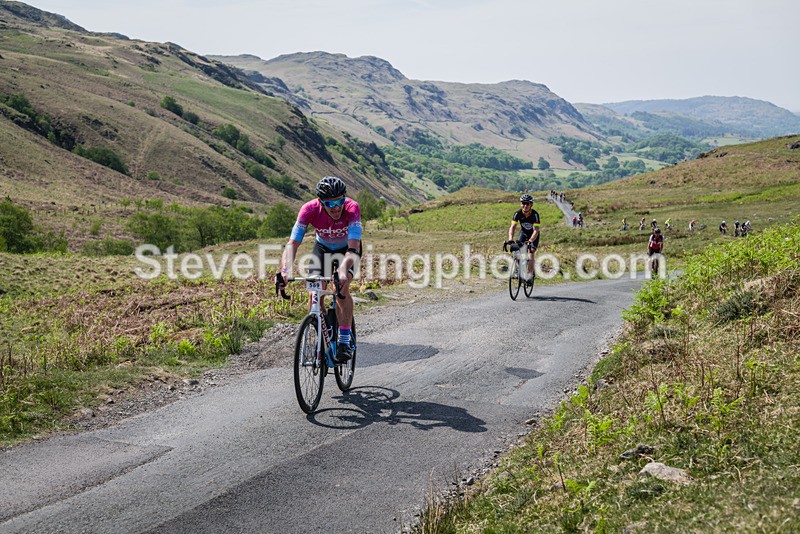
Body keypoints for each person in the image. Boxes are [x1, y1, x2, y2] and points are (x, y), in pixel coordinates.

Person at [275, 176, 362, 363]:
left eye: (340, 201)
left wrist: (342, 271)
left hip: (347, 251)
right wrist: (284, 270)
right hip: (322, 249)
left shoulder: (352, 208)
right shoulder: (309, 209)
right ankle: (324, 334)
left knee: (341, 289)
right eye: (330, 203)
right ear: (321, 202)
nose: (336, 207)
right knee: (314, 292)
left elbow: (354, 247)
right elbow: (293, 244)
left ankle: (344, 341)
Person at [507, 193, 540, 286]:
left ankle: (530, 276)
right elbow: (512, 227)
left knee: (531, 252)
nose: (525, 205)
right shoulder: (518, 213)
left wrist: (531, 241)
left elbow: (536, 230)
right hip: (524, 233)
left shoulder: (535, 215)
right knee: (516, 250)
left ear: (531, 205)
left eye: (527, 204)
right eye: (523, 203)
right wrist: (510, 239)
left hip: (533, 235)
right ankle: (520, 270)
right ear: (521, 204)